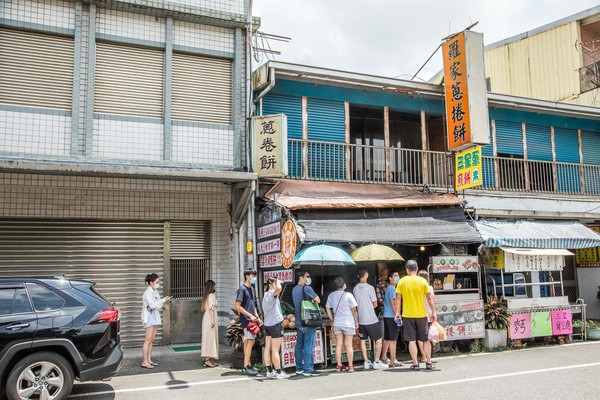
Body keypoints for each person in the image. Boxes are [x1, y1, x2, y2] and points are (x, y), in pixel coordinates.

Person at [395, 260, 437, 371]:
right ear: (417, 268)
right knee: (425, 340)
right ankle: (428, 362)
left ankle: (415, 363)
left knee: (412, 340)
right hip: (422, 314)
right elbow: (429, 298)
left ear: (406, 269)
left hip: (408, 314)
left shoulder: (402, 281)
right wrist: (433, 312)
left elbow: (398, 298)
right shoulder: (423, 281)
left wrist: (397, 312)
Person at [353, 269, 388, 370]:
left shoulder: (355, 289)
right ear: (366, 275)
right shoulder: (370, 288)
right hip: (371, 319)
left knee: (363, 341)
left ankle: (366, 362)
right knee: (379, 339)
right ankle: (376, 362)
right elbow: (375, 303)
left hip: (360, 319)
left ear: (358, 276)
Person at [325, 277, 359, 372]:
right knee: (348, 345)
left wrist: (332, 318)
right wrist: (356, 321)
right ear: (344, 285)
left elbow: (327, 308)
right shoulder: (348, 295)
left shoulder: (331, 295)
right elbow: (354, 309)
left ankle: (339, 365)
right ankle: (350, 366)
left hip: (337, 323)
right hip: (348, 322)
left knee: (338, 345)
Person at [292, 270, 321, 377]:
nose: (308, 278)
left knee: (299, 345)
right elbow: (318, 300)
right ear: (301, 278)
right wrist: (313, 300)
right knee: (309, 345)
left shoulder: (294, 289)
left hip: (299, 321)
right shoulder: (307, 288)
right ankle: (308, 369)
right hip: (308, 321)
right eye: (306, 276)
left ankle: (299, 368)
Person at [141, 273, 171, 369]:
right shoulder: (147, 293)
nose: (158, 284)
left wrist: (163, 301)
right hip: (149, 317)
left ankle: (149, 360)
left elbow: (157, 306)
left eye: (159, 282)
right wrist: (162, 301)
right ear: (151, 282)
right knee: (148, 339)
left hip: (155, 316)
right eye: (157, 282)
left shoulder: (156, 292)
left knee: (152, 340)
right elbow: (152, 305)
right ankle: (144, 361)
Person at [235, 269, 262, 376]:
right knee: (250, 341)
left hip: (252, 319)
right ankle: (246, 366)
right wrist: (250, 315)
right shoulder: (242, 289)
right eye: (253, 275)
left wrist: (257, 317)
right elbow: (237, 306)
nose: (254, 277)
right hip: (247, 320)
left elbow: (252, 305)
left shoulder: (251, 289)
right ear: (247, 276)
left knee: (248, 342)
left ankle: (248, 365)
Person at [262, 278, 290, 379]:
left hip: (267, 324)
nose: (276, 285)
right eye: (274, 283)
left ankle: (269, 371)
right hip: (275, 324)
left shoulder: (265, 295)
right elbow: (279, 288)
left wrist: (277, 282)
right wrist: (278, 281)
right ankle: (278, 372)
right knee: (275, 350)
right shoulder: (271, 294)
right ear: (270, 284)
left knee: (267, 348)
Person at [381, 271, 403, 367]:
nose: (397, 277)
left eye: (398, 276)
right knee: (393, 339)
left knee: (387, 338)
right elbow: (394, 303)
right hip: (392, 316)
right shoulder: (392, 289)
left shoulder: (389, 288)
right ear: (390, 278)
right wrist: (398, 315)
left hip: (387, 316)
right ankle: (393, 359)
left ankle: (384, 356)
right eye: (395, 276)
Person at [417, 270, 436, 364]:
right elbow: (433, 300)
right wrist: (433, 312)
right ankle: (428, 356)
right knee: (427, 335)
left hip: (419, 313)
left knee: (420, 337)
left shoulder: (417, 288)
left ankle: (423, 356)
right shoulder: (430, 288)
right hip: (429, 313)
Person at [201, 280, 219, 368]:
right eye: (214, 286)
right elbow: (211, 308)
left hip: (207, 318)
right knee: (210, 339)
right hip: (210, 319)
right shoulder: (211, 295)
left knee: (208, 338)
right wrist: (212, 320)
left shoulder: (206, 296)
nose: (215, 288)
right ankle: (207, 359)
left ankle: (209, 358)